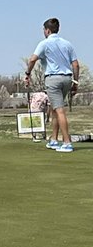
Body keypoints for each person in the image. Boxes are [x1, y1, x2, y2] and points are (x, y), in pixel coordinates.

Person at [25, 17, 81, 153]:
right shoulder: (67, 44)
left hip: (53, 79)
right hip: (67, 79)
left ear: (47, 30)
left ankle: (67, 142)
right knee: (56, 109)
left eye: (44, 30)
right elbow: (75, 64)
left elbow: (33, 59)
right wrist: (75, 81)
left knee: (59, 110)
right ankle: (54, 140)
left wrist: (28, 73)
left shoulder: (44, 43)